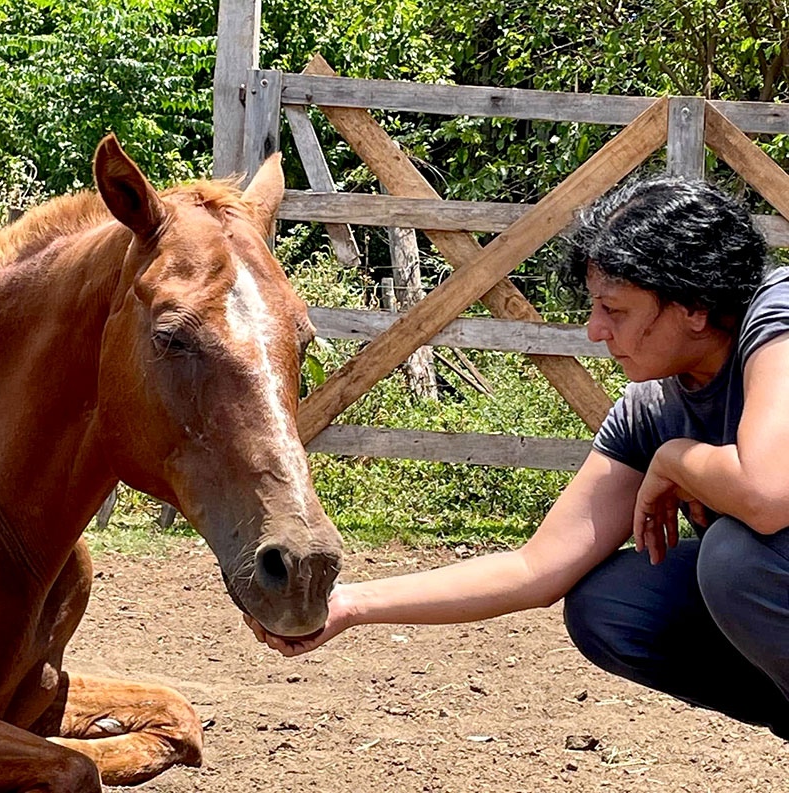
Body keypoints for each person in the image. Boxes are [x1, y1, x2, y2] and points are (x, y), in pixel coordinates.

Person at [247, 176, 789, 738]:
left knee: (734, 560)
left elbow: (768, 494)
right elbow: (535, 568)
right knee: (611, 606)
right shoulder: (653, 406)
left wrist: (676, 459)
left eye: (614, 309)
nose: (595, 329)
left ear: (694, 306)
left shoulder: (779, 315)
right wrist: (351, 605)